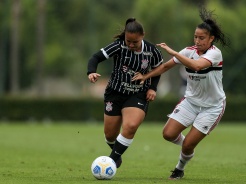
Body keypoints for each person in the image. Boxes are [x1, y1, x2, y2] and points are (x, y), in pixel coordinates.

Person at [132, 7, 230, 180]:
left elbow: (197, 65)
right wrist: (145, 76)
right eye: (196, 37)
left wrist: (175, 53)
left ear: (211, 38)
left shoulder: (215, 53)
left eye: (202, 38)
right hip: (191, 102)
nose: (198, 41)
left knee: (188, 146)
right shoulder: (188, 51)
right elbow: (165, 66)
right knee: (168, 134)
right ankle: (187, 146)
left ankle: (179, 168)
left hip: (212, 107)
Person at [87, 18, 163, 169]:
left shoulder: (151, 50)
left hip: (138, 94)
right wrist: (91, 72)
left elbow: (158, 69)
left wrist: (152, 88)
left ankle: (111, 161)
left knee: (130, 125)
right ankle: (117, 156)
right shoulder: (119, 46)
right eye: (129, 41)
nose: (131, 45)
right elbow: (95, 57)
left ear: (143, 35)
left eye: (135, 42)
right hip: (115, 93)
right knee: (110, 135)